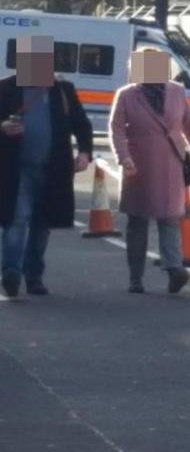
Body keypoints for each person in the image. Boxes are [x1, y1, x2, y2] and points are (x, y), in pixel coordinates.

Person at [109, 48, 190, 294]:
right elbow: (116, 130)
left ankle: (174, 269)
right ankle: (136, 278)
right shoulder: (126, 95)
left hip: (170, 165)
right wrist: (124, 158)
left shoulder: (177, 92)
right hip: (137, 166)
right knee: (137, 221)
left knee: (169, 219)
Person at [0, 35, 92, 297]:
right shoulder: (6, 89)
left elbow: (82, 125)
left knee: (42, 225)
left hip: (53, 171)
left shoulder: (62, 91)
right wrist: (3, 127)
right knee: (16, 219)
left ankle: (34, 276)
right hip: (16, 171)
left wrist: (84, 153)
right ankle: (11, 273)